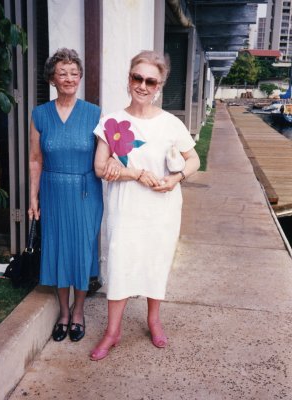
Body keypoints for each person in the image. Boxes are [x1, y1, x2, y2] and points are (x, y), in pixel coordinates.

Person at [91, 50, 200, 360]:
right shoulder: (112, 121)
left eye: (150, 81)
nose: (142, 85)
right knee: (120, 264)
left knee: (155, 262)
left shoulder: (171, 124)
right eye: (137, 78)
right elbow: (100, 168)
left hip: (161, 209)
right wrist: (132, 172)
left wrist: (176, 178)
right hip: (125, 210)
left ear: (159, 86)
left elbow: (194, 160)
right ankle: (113, 331)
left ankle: (153, 320)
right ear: (129, 79)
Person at [28, 48, 118, 343]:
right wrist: (33, 197)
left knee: (82, 250)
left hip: (85, 192)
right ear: (52, 79)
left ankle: (78, 312)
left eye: (74, 73)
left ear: (80, 78)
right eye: (62, 73)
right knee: (56, 249)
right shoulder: (40, 114)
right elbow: (35, 159)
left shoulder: (94, 113)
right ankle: (63, 313)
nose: (69, 78)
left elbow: (110, 154)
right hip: (53, 191)